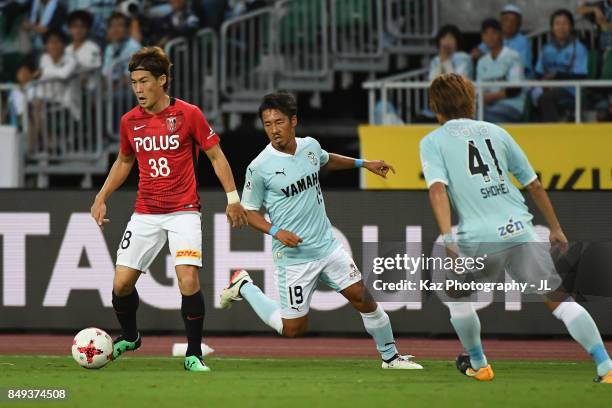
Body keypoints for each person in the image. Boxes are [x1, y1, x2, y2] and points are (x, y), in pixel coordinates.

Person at [419, 73, 612, 383]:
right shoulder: (497, 132)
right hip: (520, 231)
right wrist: (555, 228)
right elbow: (533, 184)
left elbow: (438, 191)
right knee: (560, 300)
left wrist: (449, 239)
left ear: (434, 106)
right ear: (473, 100)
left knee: (455, 296)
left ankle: (479, 363)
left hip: (478, 238)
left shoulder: (432, 142)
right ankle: (606, 365)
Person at [219, 91, 423, 370]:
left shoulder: (310, 146)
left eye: (279, 122)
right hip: (294, 257)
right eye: (267, 124)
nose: (274, 130)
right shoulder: (259, 167)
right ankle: (244, 286)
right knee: (293, 329)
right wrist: (276, 231)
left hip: (327, 246)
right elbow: (248, 212)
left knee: (363, 298)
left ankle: (390, 357)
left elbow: (326, 159)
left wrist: (366, 164)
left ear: (294, 121)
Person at [90, 46, 248, 372]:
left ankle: (193, 354)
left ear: (162, 80)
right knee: (120, 285)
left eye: (144, 81)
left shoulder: (189, 114)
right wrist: (101, 195)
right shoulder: (129, 121)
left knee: (187, 279)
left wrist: (233, 199)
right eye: (134, 82)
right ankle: (131, 337)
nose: (138, 89)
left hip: (183, 210)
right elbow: (124, 160)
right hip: (146, 211)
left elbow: (216, 156)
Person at [533, 9, 588, 122]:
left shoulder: (579, 48)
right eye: (557, 24)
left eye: (565, 24)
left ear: (571, 27)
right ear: (552, 27)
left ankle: (553, 131)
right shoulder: (546, 48)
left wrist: (557, 76)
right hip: (547, 86)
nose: (561, 28)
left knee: (546, 98)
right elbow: (538, 72)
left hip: (570, 89)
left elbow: (581, 75)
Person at [476, 18, 525, 123]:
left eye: (494, 33)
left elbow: (514, 89)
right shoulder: (482, 62)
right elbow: (479, 90)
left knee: (480, 118)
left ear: (501, 35)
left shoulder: (513, 56)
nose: (490, 37)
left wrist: (489, 97)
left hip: (511, 106)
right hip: (487, 107)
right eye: (486, 33)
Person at [473, 4, 532, 76]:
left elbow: (522, 68)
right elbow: (477, 52)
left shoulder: (523, 41)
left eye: (513, 21)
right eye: (506, 20)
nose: (509, 24)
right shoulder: (493, 38)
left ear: (519, 24)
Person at [102, 12, 142, 79]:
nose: (115, 29)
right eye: (112, 26)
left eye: (120, 25)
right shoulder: (109, 48)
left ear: (127, 29)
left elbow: (130, 78)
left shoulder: (134, 47)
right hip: (110, 87)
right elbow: (105, 73)